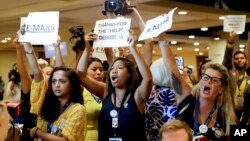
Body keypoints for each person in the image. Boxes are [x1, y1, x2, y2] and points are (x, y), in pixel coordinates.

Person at [158, 32, 237, 140]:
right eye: (206, 77)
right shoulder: (187, 98)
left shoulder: (226, 116)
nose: (208, 82)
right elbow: (173, 71)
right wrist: (163, 42)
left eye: (214, 80)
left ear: (221, 89)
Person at [77, 31, 152, 141]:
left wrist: (133, 49)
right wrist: (87, 49)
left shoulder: (137, 96)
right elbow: (81, 75)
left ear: (129, 74)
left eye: (120, 68)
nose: (114, 71)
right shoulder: (105, 91)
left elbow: (148, 79)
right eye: (112, 69)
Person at [28, 66, 87, 141]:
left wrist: (38, 132)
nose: (57, 85)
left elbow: (66, 140)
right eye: (54, 81)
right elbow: (37, 74)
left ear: (72, 86)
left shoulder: (77, 109)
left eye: (62, 81)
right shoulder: (47, 104)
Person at [222, 31, 250, 125]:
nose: (239, 60)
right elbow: (226, 59)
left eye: (242, 58)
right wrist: (231, 41)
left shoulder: (249, 76)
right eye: (237, 58)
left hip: (247, 112)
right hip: (231, 111)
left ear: (246, 60)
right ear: (233, 61)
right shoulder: (230, 73)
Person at [84, 57, 105, 141]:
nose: (99, 72)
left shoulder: (108, 91)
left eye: (101, 69)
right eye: (94, 69)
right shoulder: (79, 91)